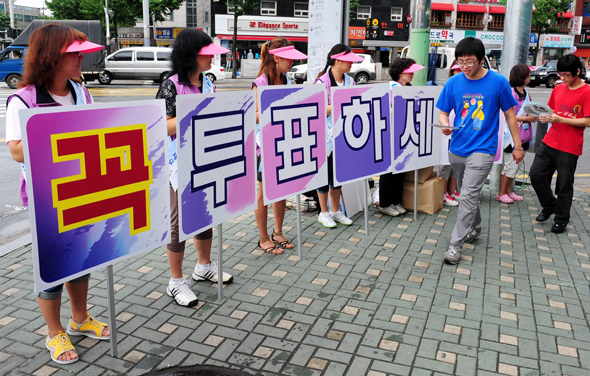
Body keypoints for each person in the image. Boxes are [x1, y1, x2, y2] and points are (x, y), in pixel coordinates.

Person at [5, 23, 110, 365]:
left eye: (80, 53)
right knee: (52, 267)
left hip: (83, 192)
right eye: (74, 54)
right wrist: (61, 136)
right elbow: (17, 151)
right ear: (51, 56)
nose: (82, 59)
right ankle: (54, 333)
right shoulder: (23, 99)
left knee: (81, 260)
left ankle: (79, 319)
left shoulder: (81, 91)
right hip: (46, 201)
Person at [156, 29, 233, 307]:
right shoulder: (171, 85)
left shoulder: (208, 81)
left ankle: (203, 266)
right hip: (177, 165)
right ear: (191, 55)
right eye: (206, 52)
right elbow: (161, 127)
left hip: (206, 158)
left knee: (205, 214)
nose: (212, 56)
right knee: (177, 223)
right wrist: (194, 112)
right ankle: (176, 281)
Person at [436, 37, 524, 265]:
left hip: (483, 149)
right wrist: (445, 124)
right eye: (461, 61)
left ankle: (455, 245)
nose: (465, 66)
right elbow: (443, 112)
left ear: (482, 60)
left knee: (466, 195)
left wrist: (517, 146)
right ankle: (475, 226)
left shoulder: (498, 82)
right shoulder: (454, 82)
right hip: (457, 147)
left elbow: (510, 116)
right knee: (468, 193)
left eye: (470, 62)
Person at [252, 37, 307, 254]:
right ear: (276, 58)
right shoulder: (260, 83)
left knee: (282, 188)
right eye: (288, 59)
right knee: (264, 192)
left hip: (285, 141)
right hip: (264, 143)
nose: (292, 63)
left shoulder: (287, 80)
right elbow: (254, 116)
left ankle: (278, 231)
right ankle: (263, 237)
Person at [530, 54, 590, 234]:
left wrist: (560, 119)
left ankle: (561, 219)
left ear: (577, 72)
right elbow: (553, 110)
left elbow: (587, 121)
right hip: (550, 141)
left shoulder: (586, 91)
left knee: (564, 184)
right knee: (536, 175)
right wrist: (546, 116)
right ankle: (550, 205)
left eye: (566, 75)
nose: (562, 79)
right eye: (560, 75)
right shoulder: (558, 88)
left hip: (569, 146)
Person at [314, 44, 360, 228]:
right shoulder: (322, 83)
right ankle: (323, 212)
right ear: (338, 60)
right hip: (325, 138)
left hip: (344, 136)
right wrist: (340, 103)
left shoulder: (350, 81)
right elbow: (318, 111)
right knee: (324, 176)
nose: (351, 64)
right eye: (348, 60)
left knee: (339, 175)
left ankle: (335, 210)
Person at [378, 57, 424, 217]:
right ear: (400, 72)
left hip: (405, 134)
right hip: (391, 135)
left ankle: (396, 201)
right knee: (389, 170)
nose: (412, 74)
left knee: (400, 168)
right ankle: (385, 203)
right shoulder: (391, 88)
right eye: (409, 71)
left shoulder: (409, 87)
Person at [497, 64, 537, 204]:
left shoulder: (526, 93)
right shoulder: (511, 93)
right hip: (511, 137)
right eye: (528, 74)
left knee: (516, 166)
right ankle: (501, 193)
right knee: (509, 166)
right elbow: (508, 115)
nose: (530, 76)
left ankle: (509, 191)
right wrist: (527, 118)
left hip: (524, 135)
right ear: (522, 76)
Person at [438, 61, 462, 207]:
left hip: (459, 132)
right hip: (447, 132)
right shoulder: (448, 87)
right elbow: (442, 112)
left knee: (455, 164)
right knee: (445, 165)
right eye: (456, 69)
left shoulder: (469, 87)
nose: (460, 71)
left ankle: (452, 191)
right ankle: (442, 193)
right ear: (452, 72)